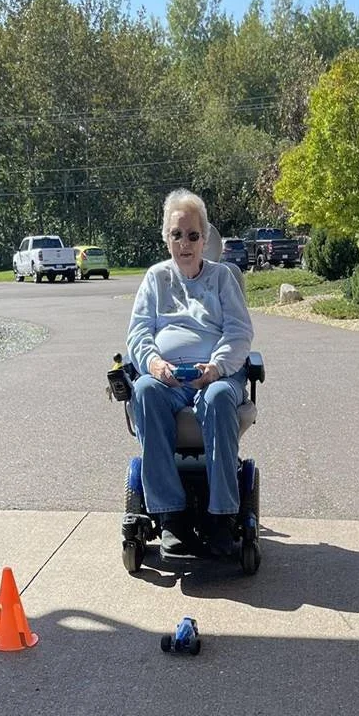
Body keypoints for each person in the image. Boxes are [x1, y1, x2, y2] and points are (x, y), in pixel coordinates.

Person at [127, 188, 253, 559]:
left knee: (216, 397)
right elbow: (138, 332)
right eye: (177, 235)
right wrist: (153, 364)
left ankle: (221, 517)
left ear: (205, 238)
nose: (185, 243)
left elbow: (239, 333)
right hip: (166, 379)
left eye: (193, 235)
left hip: (215, 376)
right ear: (166, 238)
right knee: (145, 390)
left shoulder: (223, 278)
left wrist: (215, 367)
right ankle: (171, 517)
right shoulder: (155, 278)